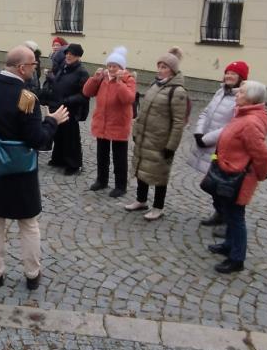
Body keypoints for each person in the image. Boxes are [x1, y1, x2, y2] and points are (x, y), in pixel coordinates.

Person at [0, 46, 69, 289]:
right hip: (21, 171)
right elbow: (38, 140)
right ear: (21, 68)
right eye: (33, 65)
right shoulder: (26, 98)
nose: (35, 68)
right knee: (28, 224)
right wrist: (52, 121)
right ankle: (32, 274)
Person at [205, 81, 267, 274]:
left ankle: (237, 258)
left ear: (251, 98)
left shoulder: (250, 123)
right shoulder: (242, 114)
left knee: (236, 217)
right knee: (229, 213)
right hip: (228, 172)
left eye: (241, 92)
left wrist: (259, 174)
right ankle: (229, 244)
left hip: (238, 177)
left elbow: (263, 155)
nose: (237, 94)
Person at [128, 47, 188, 221]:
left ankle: (158, 207)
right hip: (145, 137)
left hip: (161, 141)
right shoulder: (155, 85)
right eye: (159, 66)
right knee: (142, 169)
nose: (160, 70)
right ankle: (141, 200)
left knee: (160, 174)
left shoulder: (178, 91)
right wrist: (136, 131)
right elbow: (143, 111)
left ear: (172, 70)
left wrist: (171, 147)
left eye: (164, 67)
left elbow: (178, 123)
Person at [190, 61, 249, 229]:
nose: (229, 76)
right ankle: (219, 212)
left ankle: (228, 219)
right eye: (227, 72)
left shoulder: (242, 97)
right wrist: (199, 132)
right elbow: (206, 112)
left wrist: (207, 139)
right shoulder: (220, 91)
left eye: (233, 74)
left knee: (222, 185)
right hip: (209, 143)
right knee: (212, 182)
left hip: (224, 148)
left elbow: (232, 126)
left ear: (241, 78)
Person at [82, 46, 136, 198]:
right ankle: (102, 180)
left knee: (119, 157)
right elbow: (87, 92)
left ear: (121, 68)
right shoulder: (103, 78)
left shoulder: (129, 80)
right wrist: (95, 78)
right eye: (109, 66)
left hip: (119, 123)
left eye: (115, 66)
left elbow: (128, 99)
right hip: (102, 122)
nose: (111, 69)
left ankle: (120, 186)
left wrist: (119, 82)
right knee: (102, 155)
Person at [44, 43, 90, 175]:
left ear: (78, 56)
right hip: (58, 106)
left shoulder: (82, 72)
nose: (68, 56)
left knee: (71, 138)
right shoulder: (63, 67)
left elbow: (84, 94)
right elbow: (58, 82)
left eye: (72, 54)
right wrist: (51, 80)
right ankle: (58, 159)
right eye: (67, 53)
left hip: (71, 109)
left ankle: (73, 164)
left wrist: (68, 100)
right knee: (59, 134)